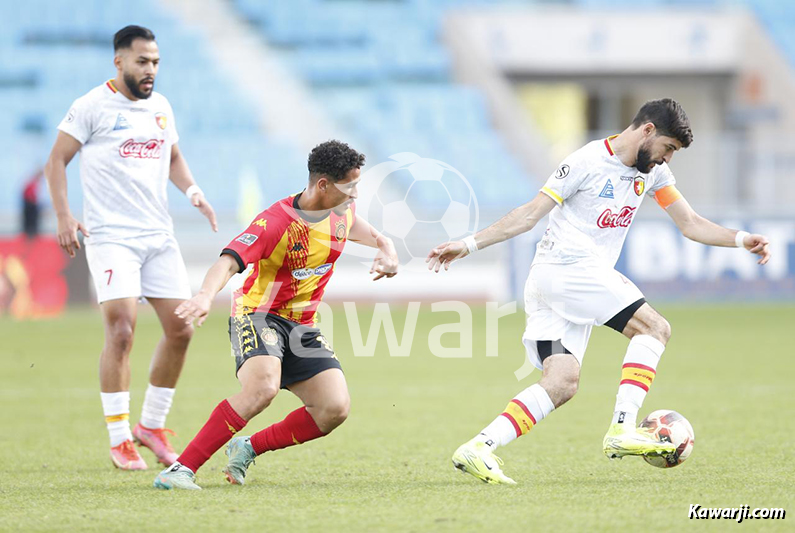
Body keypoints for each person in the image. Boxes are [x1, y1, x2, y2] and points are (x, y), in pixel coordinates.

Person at [427, 98, 771, 484]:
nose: (667, 159)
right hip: (566, 269)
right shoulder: (586, 163)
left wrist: (741, 239)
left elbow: (689, 223)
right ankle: (622, 428)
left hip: (561, 282)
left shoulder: (651, 172)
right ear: (647, 131)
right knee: (654, 328)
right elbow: (528, 216)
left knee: (561, 383)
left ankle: (479, 446)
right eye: (668, 148)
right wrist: (469, 244)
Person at [153, 140, 399, 490]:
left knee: (334, 408)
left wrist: (387, 249)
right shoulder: (275, 223)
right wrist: (206, 295)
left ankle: (248, 447)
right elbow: (228, 261)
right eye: (350, 187)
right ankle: (179, 470)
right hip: (259, 315)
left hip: (302, 326)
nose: (355, 195)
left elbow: (372, 234)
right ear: (323, 185)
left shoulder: (341, 213)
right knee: (262, 388)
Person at [44, 25, 218, 470]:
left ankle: (151, 426)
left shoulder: (160, 107)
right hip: (111, 237)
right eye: (142, 61)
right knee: (122, 330)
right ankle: (119, 436)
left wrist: (193, 191)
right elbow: (56, 160)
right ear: (119, 61)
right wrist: (64, 215)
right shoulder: (91, 106)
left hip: (158, 236)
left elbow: (173, 156)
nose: (151, 70)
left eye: (156, 62)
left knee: (182, 328)